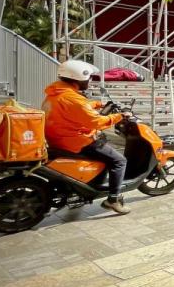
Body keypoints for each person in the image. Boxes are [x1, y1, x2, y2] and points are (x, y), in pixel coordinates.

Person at [42, 60, 129, 214]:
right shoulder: (73, 99)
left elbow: (76, 109)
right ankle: (113, 200)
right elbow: (96, 122)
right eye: (88, 78)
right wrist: (119, 116)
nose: (89, 81)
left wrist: (97, 104)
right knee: (119, 160)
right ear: (79, 79)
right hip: (75, 141)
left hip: (56, 138)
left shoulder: (56, 93)